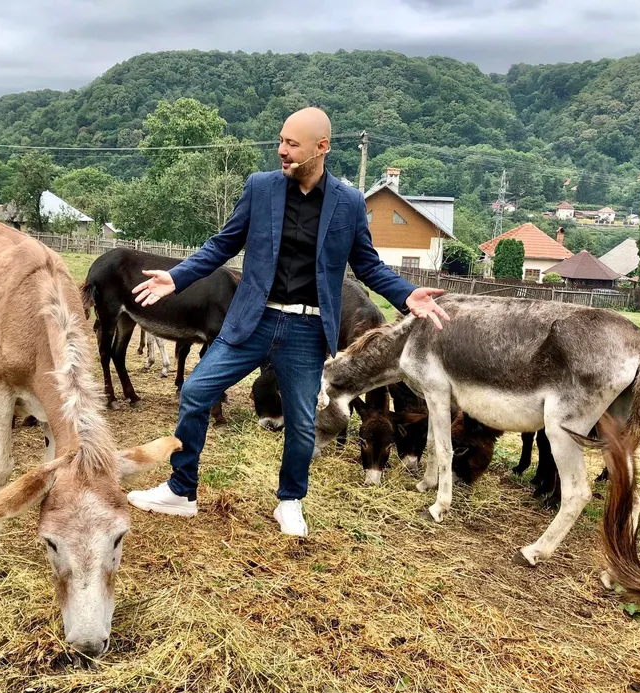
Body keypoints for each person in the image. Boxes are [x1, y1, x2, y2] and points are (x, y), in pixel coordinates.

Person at [126, 107, 450, 536]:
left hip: (306, 330)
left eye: (292, 144)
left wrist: (405, 294)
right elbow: (223, 244)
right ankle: (181, 489)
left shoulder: (349, 203)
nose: (281, 150)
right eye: (281, 141)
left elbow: (368, 265)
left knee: (301, 420)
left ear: (321, 147)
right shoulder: (260, 188)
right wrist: (177, 277)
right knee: (196, 391)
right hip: (252, 320)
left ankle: (290, 501)